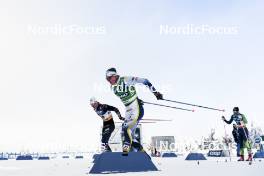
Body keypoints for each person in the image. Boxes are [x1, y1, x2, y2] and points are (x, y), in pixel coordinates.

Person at [105, 67, 163, 154]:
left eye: (110, 78)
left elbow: (145, 81)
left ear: (115, 75)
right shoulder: (112, 87)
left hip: (136, 108)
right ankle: (143, 154)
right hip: (128, 110)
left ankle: (125, 152)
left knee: (126, 129)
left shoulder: (125, 80)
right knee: (128, 135)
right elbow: (126, 97)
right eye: (107, 79)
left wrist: (155, 93)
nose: (109, 80)